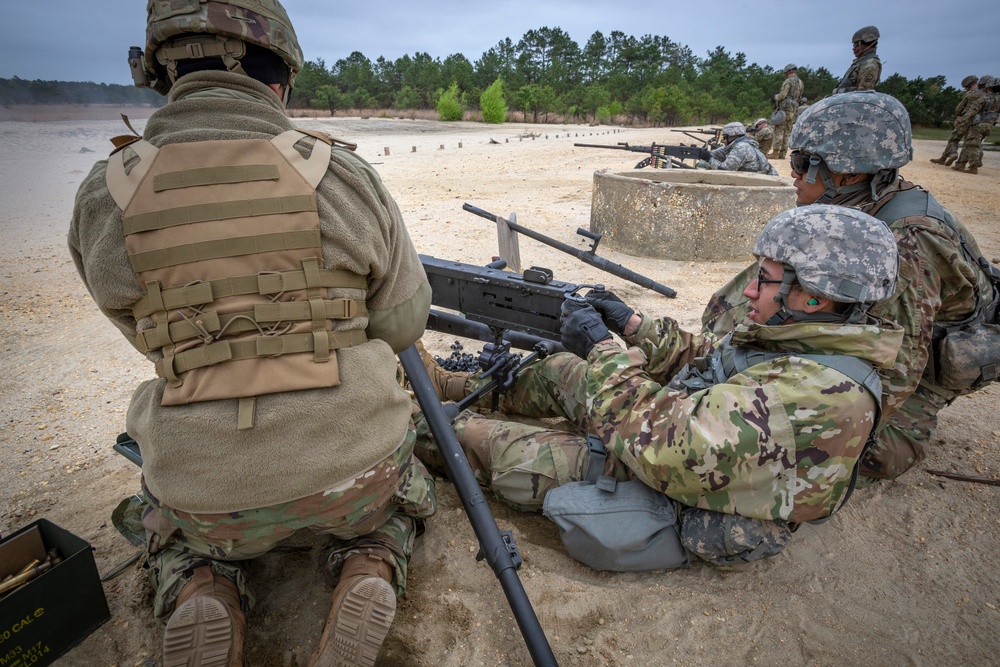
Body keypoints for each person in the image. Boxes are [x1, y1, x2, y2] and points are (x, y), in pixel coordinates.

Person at [67, 2, 435, 666]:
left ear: (160, 73)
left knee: (173, 533)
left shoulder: (105, 195)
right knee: (395, 503)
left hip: (208, 498)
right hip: (352, 477)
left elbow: (143, 335)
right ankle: (370, 563)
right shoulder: (343, 175)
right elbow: (403, 323)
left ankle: (203, 586)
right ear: (280, 79)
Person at [416, 205, 902, 569]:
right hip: (686, 435)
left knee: (493, 447)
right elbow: (710, 359)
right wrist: (631, 324)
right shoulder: (804, 337)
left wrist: (603, 349)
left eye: (766, 280)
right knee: (561, 368)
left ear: (813, 298)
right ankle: (454, 385)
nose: (750, 290)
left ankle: (409, 424)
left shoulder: (820, 394)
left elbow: (666, 445)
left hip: (684, 486)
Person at [702, 91, 998, 483]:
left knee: (849, 446)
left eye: (803, 163)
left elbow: (898, 366)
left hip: (927, 362)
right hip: (889, 337)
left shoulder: (905, 241)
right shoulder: (857, 207)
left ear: (850, 174)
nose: (792, 173)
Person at [930, 75, 986, 166]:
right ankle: (959, 164)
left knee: (953, 139)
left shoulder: (970, 94)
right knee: (968, 144)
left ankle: (953, 153)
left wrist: (959, 118)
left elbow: (959, 109)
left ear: (969, 84)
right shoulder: (985, 95)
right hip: (976, 122)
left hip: (964, 120)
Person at [695, 121, 778, 174]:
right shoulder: (736, 145)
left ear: (731, 137)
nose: (723, 141)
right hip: (755, 177)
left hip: (764, 179)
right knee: (702, 164)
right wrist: (702, 153)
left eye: (724, 137)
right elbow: (718, 153)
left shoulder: (741, 147)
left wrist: (709, 159)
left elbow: (725, 170)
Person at [953, 75, 998, 174]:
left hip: (979, 125)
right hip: (989, 126)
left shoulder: (985, 98)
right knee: (971, 144)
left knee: (972, 145)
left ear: (988, 86)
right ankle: (960, 163)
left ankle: (974, 166)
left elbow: (971, 112)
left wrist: (960, 121)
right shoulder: (998, 99)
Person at [833, 26, 882, 94]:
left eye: (856, 45)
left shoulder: (870, 66)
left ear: (863, 45)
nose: (853, 49)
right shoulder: (860, 63)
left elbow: (862, 94)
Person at [770, 63, 804, 159]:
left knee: (779, 130)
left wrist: (775, 97)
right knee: (788, 131)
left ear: (788, 72)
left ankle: (775, 153)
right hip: (794, 109)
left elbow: (782, 95)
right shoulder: (800, 82)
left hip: (785, 109)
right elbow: (799, 97)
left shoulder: (788, 81)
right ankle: (783, 154)